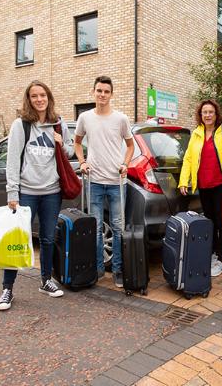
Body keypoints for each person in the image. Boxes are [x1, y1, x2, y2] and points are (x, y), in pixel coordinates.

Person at [0, 80, 74, 311]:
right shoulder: (21, 125)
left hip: (52, 192)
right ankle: (7, 289)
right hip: (26, 192)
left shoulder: (58, 124)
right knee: (16, 239)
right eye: (34, 96)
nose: (39, 99)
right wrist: (13, 192)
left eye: (43, 95)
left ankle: (46, 280)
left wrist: (61, 143)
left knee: (48, 239)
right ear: (28, 100)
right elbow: (12, 161)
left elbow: (69, 152)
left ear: (48, 97)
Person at [74, 76, 135, 288]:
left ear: (111, 94)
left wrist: (125, 164)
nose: (102, 95)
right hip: (94, 181)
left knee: (118, 227)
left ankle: (117, 270)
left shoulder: (121, 119)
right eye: (99, 91)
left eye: (106, 92)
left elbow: (130, 146)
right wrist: (82, 162)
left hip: (117, 181)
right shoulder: (85, 118)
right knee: (96, 226)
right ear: (93, 92)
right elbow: (77, 142)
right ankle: (98, 269)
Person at [178, 99, 222, 277]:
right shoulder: (197, 134)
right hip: (204, 186)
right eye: (204, 112)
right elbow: (188, 159)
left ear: (216, 114)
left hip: (221, 186)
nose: (207, 115)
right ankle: (213, 254)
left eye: (210, 112)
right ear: (200, 115)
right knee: (210, 223)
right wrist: (184, 180)